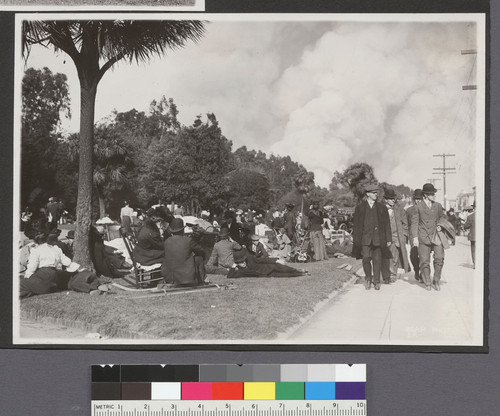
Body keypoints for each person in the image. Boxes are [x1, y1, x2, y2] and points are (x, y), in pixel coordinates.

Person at [351, 183, 392, 291]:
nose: (376, 195)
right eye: (374, 193)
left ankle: (377, 281)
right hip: (365, 239)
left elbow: (387, 224)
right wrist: (356, 240)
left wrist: (388, 239)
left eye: (376, 193)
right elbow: (356, 226)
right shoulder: (360, 208)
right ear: (368, 194)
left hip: (378, 239)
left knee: (377, 260)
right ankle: (368, 278)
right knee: (365, 259)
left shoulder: (382, 207)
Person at [411, 183, 446, 291]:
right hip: (423, 237)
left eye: (434, 193)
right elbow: (414, 223)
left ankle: (436, 280)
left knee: (439, 258)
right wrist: (415, 237)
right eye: (431, 194)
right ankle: (427, 282)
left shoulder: (438, 206)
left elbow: (443, 217)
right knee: (424, 261)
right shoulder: (418, 207)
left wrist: (440, 225)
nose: (433, 195)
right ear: (425, 195)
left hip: (436, 236)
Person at [162, 218, 206, 286]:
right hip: (186, 277)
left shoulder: (167, 241)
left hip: (171, 278)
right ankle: (202, 280)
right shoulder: (188, 240)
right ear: (182, 229)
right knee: (199, 258)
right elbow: (201, 251)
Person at [382, 188, 411, 283]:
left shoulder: (400, 210)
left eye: (393, 198)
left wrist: (404, 235)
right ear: (385, 199)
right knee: (384, 256)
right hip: (384, 236)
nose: (392, 200)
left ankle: (392, 274)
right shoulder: (380, 209)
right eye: (390, 199)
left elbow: (405, 224)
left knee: (394, 256)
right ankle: (385, 274)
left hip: (396, 236)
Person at [227, 247, 309, 278]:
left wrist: (276, 260)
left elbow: (263, 260)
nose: (243, 263)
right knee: (284, 275)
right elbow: (229, 276)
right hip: (266, 274)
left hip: (269, 267)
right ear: (237, 263)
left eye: (243, 261)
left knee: (285, 268)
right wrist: (233, 266)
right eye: (241, 262)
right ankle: (301, 274)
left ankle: (299, 270)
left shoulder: (250, 258)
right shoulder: (241, 272)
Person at [406, 189, 423, 282]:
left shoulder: (426, 209)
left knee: (424, 256)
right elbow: (407, 224)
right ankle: (416, 270)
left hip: (424, 236)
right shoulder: (409, 210)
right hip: (413, 236)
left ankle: (423, 273)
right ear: (414, 199)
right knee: (413, 255)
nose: (418, 201)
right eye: (416, 199)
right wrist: (409, 236)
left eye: (420, 199)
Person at [464, 202, 476, 268]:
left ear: (474, 208)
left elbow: (466, 226)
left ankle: (475, 263)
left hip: (474, 236)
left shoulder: (470, 217)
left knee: (474, 250)